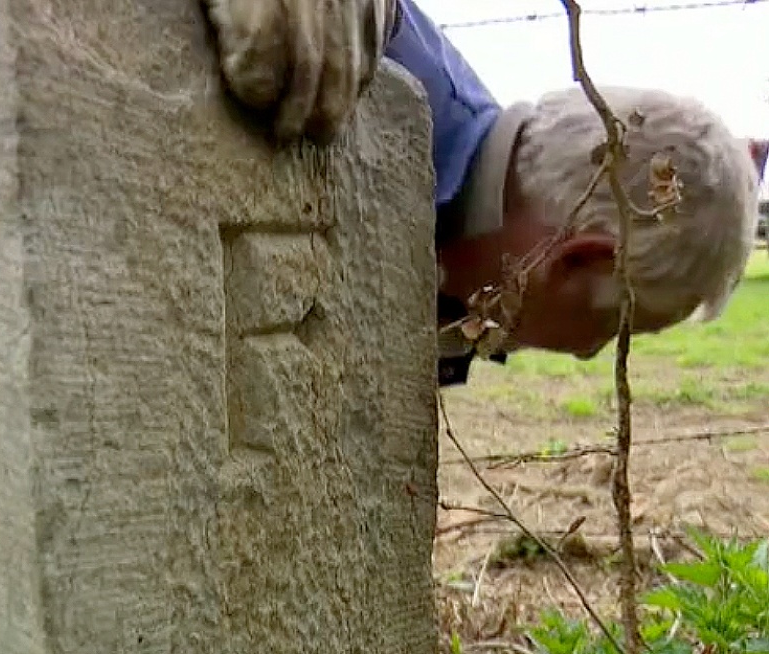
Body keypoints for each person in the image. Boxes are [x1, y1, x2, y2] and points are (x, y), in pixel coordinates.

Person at [201, 0, 762, 385]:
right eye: (609, 330)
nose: (588, 353)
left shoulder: (459, 295)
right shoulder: (367, 47)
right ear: (576, 259)